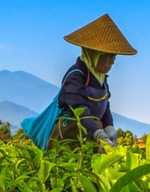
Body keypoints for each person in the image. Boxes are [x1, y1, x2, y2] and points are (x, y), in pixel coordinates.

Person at [48, 14, 137, 149]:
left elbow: (105, 106)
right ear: (95, 55)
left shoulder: (101, 78)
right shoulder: (76, 77)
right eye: (109, 56)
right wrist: (98, 134)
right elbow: (79, 109)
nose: (113, 61)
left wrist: (109, 128)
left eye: (114, 57)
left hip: (92, 133)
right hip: (71, 136)